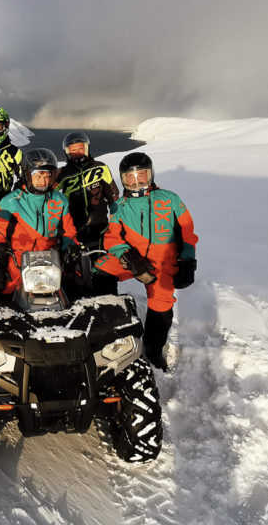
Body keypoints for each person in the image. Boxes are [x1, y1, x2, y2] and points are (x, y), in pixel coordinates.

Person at [94, 152, 198, 371]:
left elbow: (187, 232)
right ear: (123, 180)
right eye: (130, 177)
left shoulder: (170, 199)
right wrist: (128, 256)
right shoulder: (119, 206)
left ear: (150, 175)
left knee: (161, 306)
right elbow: (112, 237)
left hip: (163, 260)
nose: (137, 181)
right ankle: (108, 324)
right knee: (102, 270)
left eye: (142, 175)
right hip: (132, 256)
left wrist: (188, 260)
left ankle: (153, 348)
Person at [0, 148, 82, 295]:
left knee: (77, 290)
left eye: (47, 176)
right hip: (18, 260)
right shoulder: (10, 202)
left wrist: (71, 249)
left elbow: (68, 232)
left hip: (51, 260)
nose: (42, 181)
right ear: (27, 175)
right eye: (37, 176)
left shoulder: (59, 200)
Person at [55, 131, 120, 296]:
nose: (77, 152)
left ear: (87, 148)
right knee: (75, 270)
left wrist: (117, 223)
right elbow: (47, 195)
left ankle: (108, 300)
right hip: (74, 229)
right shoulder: (62, 174)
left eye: (80, 148)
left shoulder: (100, 167)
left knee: (104, 268)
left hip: (100, 228)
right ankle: (79, 300)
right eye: (73, 149)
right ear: (67, 152)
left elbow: (113, 197)